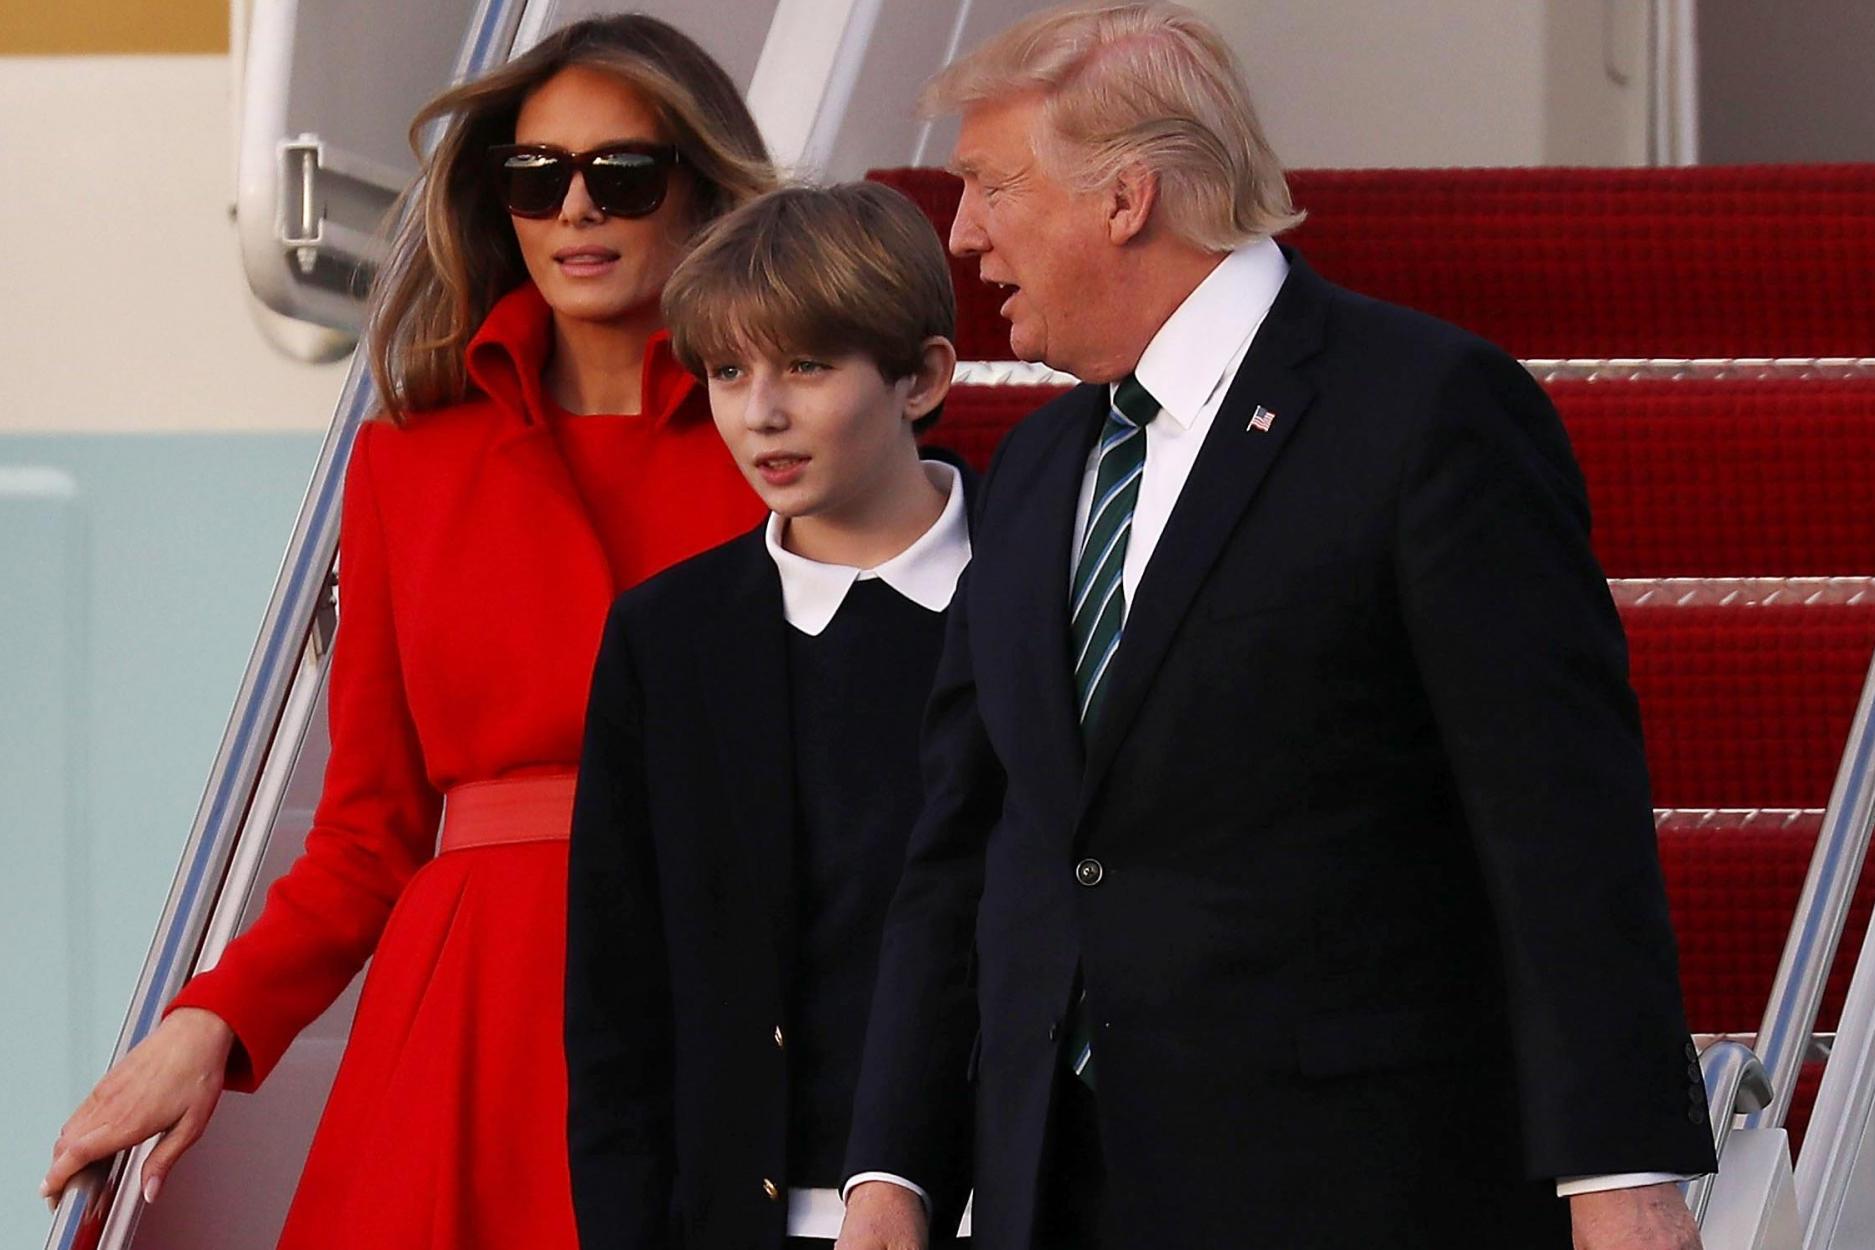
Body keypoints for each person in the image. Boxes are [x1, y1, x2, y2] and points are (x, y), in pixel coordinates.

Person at [835, 5, 1715, 1250]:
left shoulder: (1424, 410)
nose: (963, 234)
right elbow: (970, 841)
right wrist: (893, 1167)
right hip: (1054, 1189)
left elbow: (1559, 815)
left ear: (1125, 196)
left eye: (985, 186)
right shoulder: (1033, 466)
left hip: (1360, 1182)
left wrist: (1620, 1165)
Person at [42, 17, 774, 1249]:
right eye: (537, 178)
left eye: (624, 175)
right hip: (469, 1022)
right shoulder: (407, 464)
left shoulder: (786, 442)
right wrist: (207, 1023)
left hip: (722, 985)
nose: (577, 209)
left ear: (702, 191)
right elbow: (366, 830)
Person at [564, 181, 971, 1250]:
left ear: (922, 375)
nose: (759, 412)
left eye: (806, 364)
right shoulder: (668, 636)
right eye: (729, 370)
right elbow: (619, 1003)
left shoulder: (1042, 594)